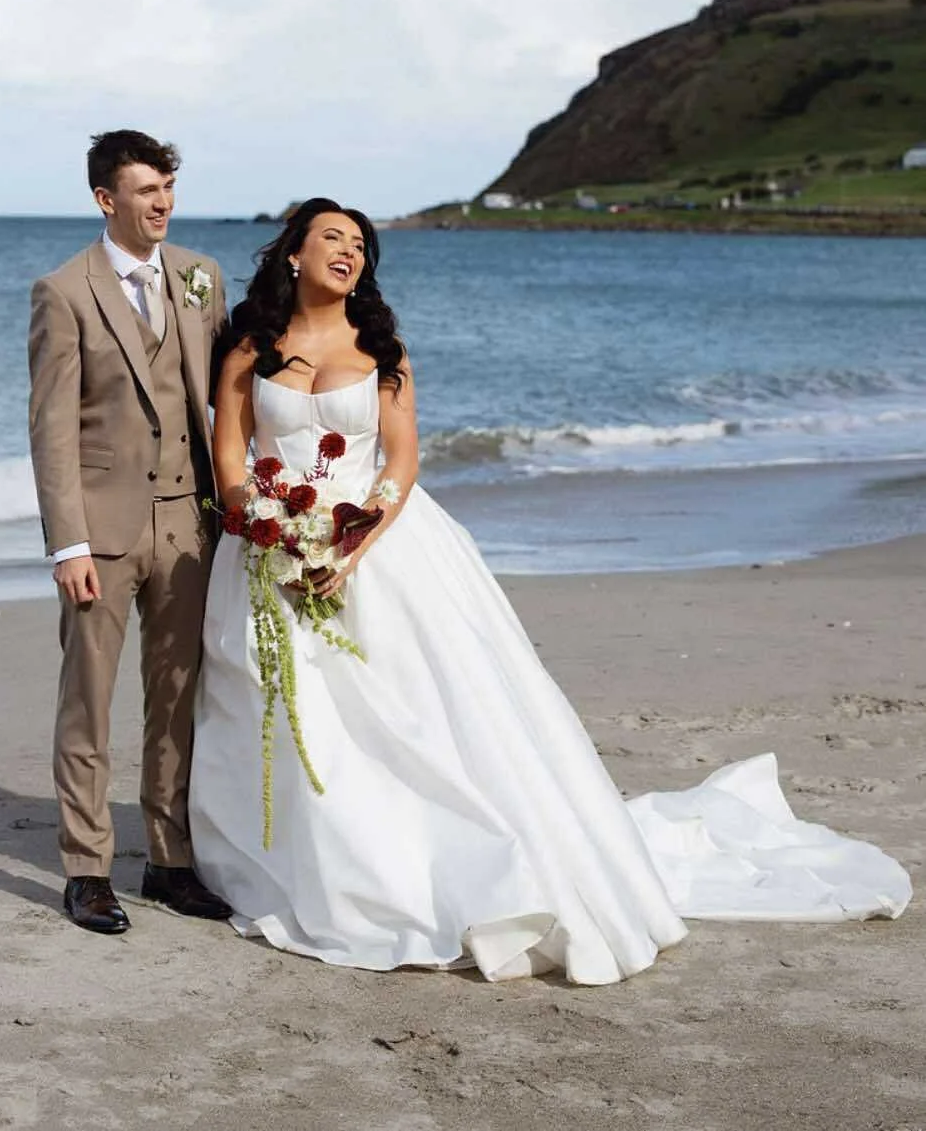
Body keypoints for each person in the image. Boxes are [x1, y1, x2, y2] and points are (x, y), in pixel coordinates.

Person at [189, 198, 911, 983]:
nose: (349, 252)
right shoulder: (251, 347)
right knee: (284, 708)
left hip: (378, 547)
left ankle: (413, 867)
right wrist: (259, 519)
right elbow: (230, 445)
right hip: (266, 547)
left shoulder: (382, 347)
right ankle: (296, 860)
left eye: (360, 244)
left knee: (407, 719)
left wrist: (355, 539)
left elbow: (401, 459)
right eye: (332, 237)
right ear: (292, 253)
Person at [28, 129, 232, 934]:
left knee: (178, 696)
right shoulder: (64, 291)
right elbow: (51, 429)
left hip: (189, 523)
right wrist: (67, 542)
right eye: (146, 189)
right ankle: (86, 868)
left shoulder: (199, 278)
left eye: (169, 187)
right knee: (89, 698)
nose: (163, 203)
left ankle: (169, 860)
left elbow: (228, 389)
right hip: (103, 533)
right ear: (105, 198)